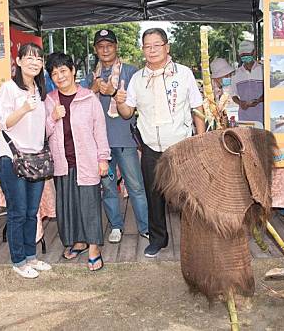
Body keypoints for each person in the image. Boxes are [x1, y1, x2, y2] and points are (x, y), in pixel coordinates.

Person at [114, 27, 205, 258]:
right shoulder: (137, 79)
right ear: (142, 49)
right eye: (147, 46)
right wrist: (120, 100)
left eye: (157, 45)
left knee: (187, 196)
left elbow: (197, 107)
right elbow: (127, 113)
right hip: (151, 147)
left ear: (167, 47)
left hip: (181, 146)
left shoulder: (183, 74)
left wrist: (201, 141)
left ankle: (194, 240)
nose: (152, 50)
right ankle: (157, 239)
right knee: (153, 194)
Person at [82, 28, 149, 243]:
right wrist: (92, 89)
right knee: (108, 187)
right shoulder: (89, 76)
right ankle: (116, 226)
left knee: (136, 186)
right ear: (95, 49)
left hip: (125, 139)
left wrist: (113, 93)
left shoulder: (132, 72)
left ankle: (145, 227)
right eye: (101, 46)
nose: (105, 49)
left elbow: (139, 103)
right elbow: (79, 107)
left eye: (109, 45)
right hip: (100, 144)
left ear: (116, 47)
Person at [45, 52, 110, 271]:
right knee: (68, 206)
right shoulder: (50, 100)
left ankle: (94, 248)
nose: (59, 76)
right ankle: (79, 242)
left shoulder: (88, 98)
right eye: (54, 73)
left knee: (89, 206)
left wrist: (103, 158)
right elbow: (42, 132)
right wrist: (52, 117)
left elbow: (100, 130)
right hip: (63, 163)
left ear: (73, 71)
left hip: (87, 161)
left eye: (63, 70)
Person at [0, 42, 52, 279]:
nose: (34, 62)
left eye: (38, 59)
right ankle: (18, 261)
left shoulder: (40, 91)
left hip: (35, 159)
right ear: (18, 62)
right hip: (12, 158)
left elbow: (40, 127)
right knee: (17, 212)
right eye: (29, 58)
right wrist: (24, 108)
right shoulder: (9, 88)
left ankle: (31, 257)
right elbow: (0, 121)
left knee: (31, 211)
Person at [231, 40, 264, 127]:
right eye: (243, 55)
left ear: (254, 53)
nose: (245, 57)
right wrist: (240, 103)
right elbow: (233, 95)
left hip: (263, 116)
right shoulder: (236, 74)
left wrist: (259, 100)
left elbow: (270, 90)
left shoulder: (263, 70)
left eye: (247, 54)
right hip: (244, 118)